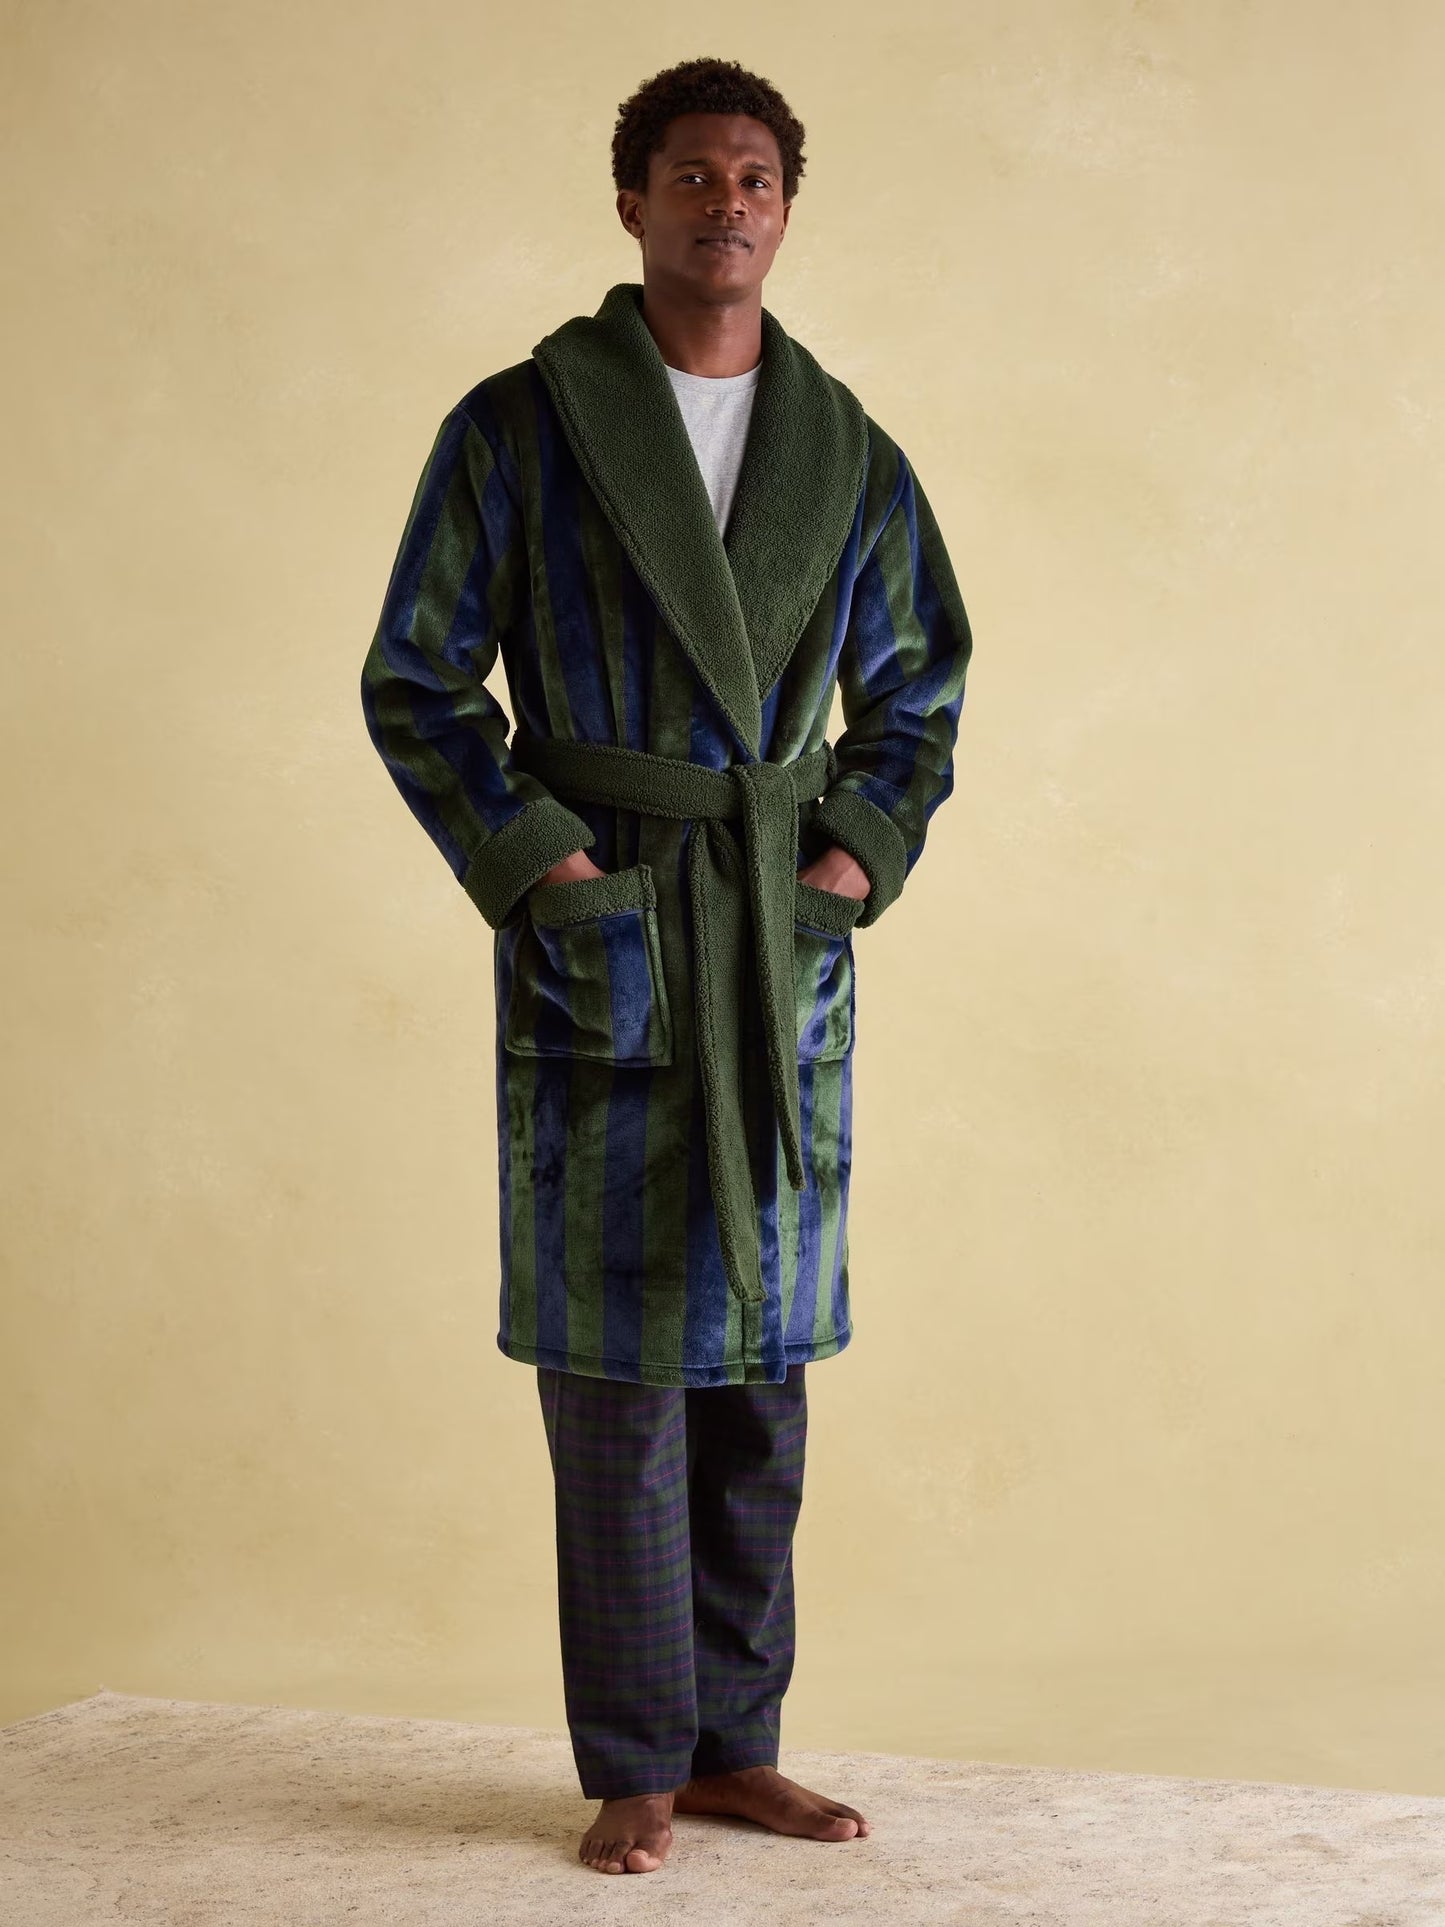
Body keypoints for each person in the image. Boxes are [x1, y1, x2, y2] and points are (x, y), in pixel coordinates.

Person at [360, 55, 973, 1877]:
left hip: (773, 937)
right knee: (619, 1375)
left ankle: (735, 1747)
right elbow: (417, 677)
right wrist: (544, 870)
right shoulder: (523, 425)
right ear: (630, 202)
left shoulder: (846, 451)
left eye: (756, 176)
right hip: (609, 927)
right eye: (691, 174)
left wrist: (845, 866)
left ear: (788, 209)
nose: (727, 203)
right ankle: (634, 1756)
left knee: (761, 1375)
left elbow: (918, 694)